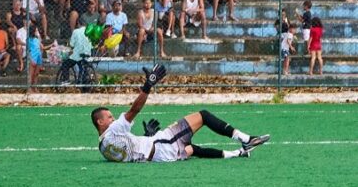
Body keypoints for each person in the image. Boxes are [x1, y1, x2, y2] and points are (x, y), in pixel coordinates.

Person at [92, 63, 270, 163]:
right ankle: (246, 140)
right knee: (203, 115)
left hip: (159, 155)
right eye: (109, 117)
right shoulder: (113, 130)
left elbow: (129, 149)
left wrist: (146, 137)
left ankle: (239, 153)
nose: (113, 118)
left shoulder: (102, 147)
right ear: (100, 122)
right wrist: (149, 85)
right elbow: (134, 110)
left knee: (192, 149)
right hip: (162, 145)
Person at [27, 26, 51, 93]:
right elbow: (27, 50)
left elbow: (42, 48)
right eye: (36, 30)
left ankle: (35, 87)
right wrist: (31, 59)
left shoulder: (37, 39)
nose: (37, 32)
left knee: (36, 73)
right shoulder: (28, 39)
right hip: (32, 57)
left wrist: (51, 45)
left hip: (39, 57)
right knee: (31, 74)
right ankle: (29, 88)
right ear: (33, 31)